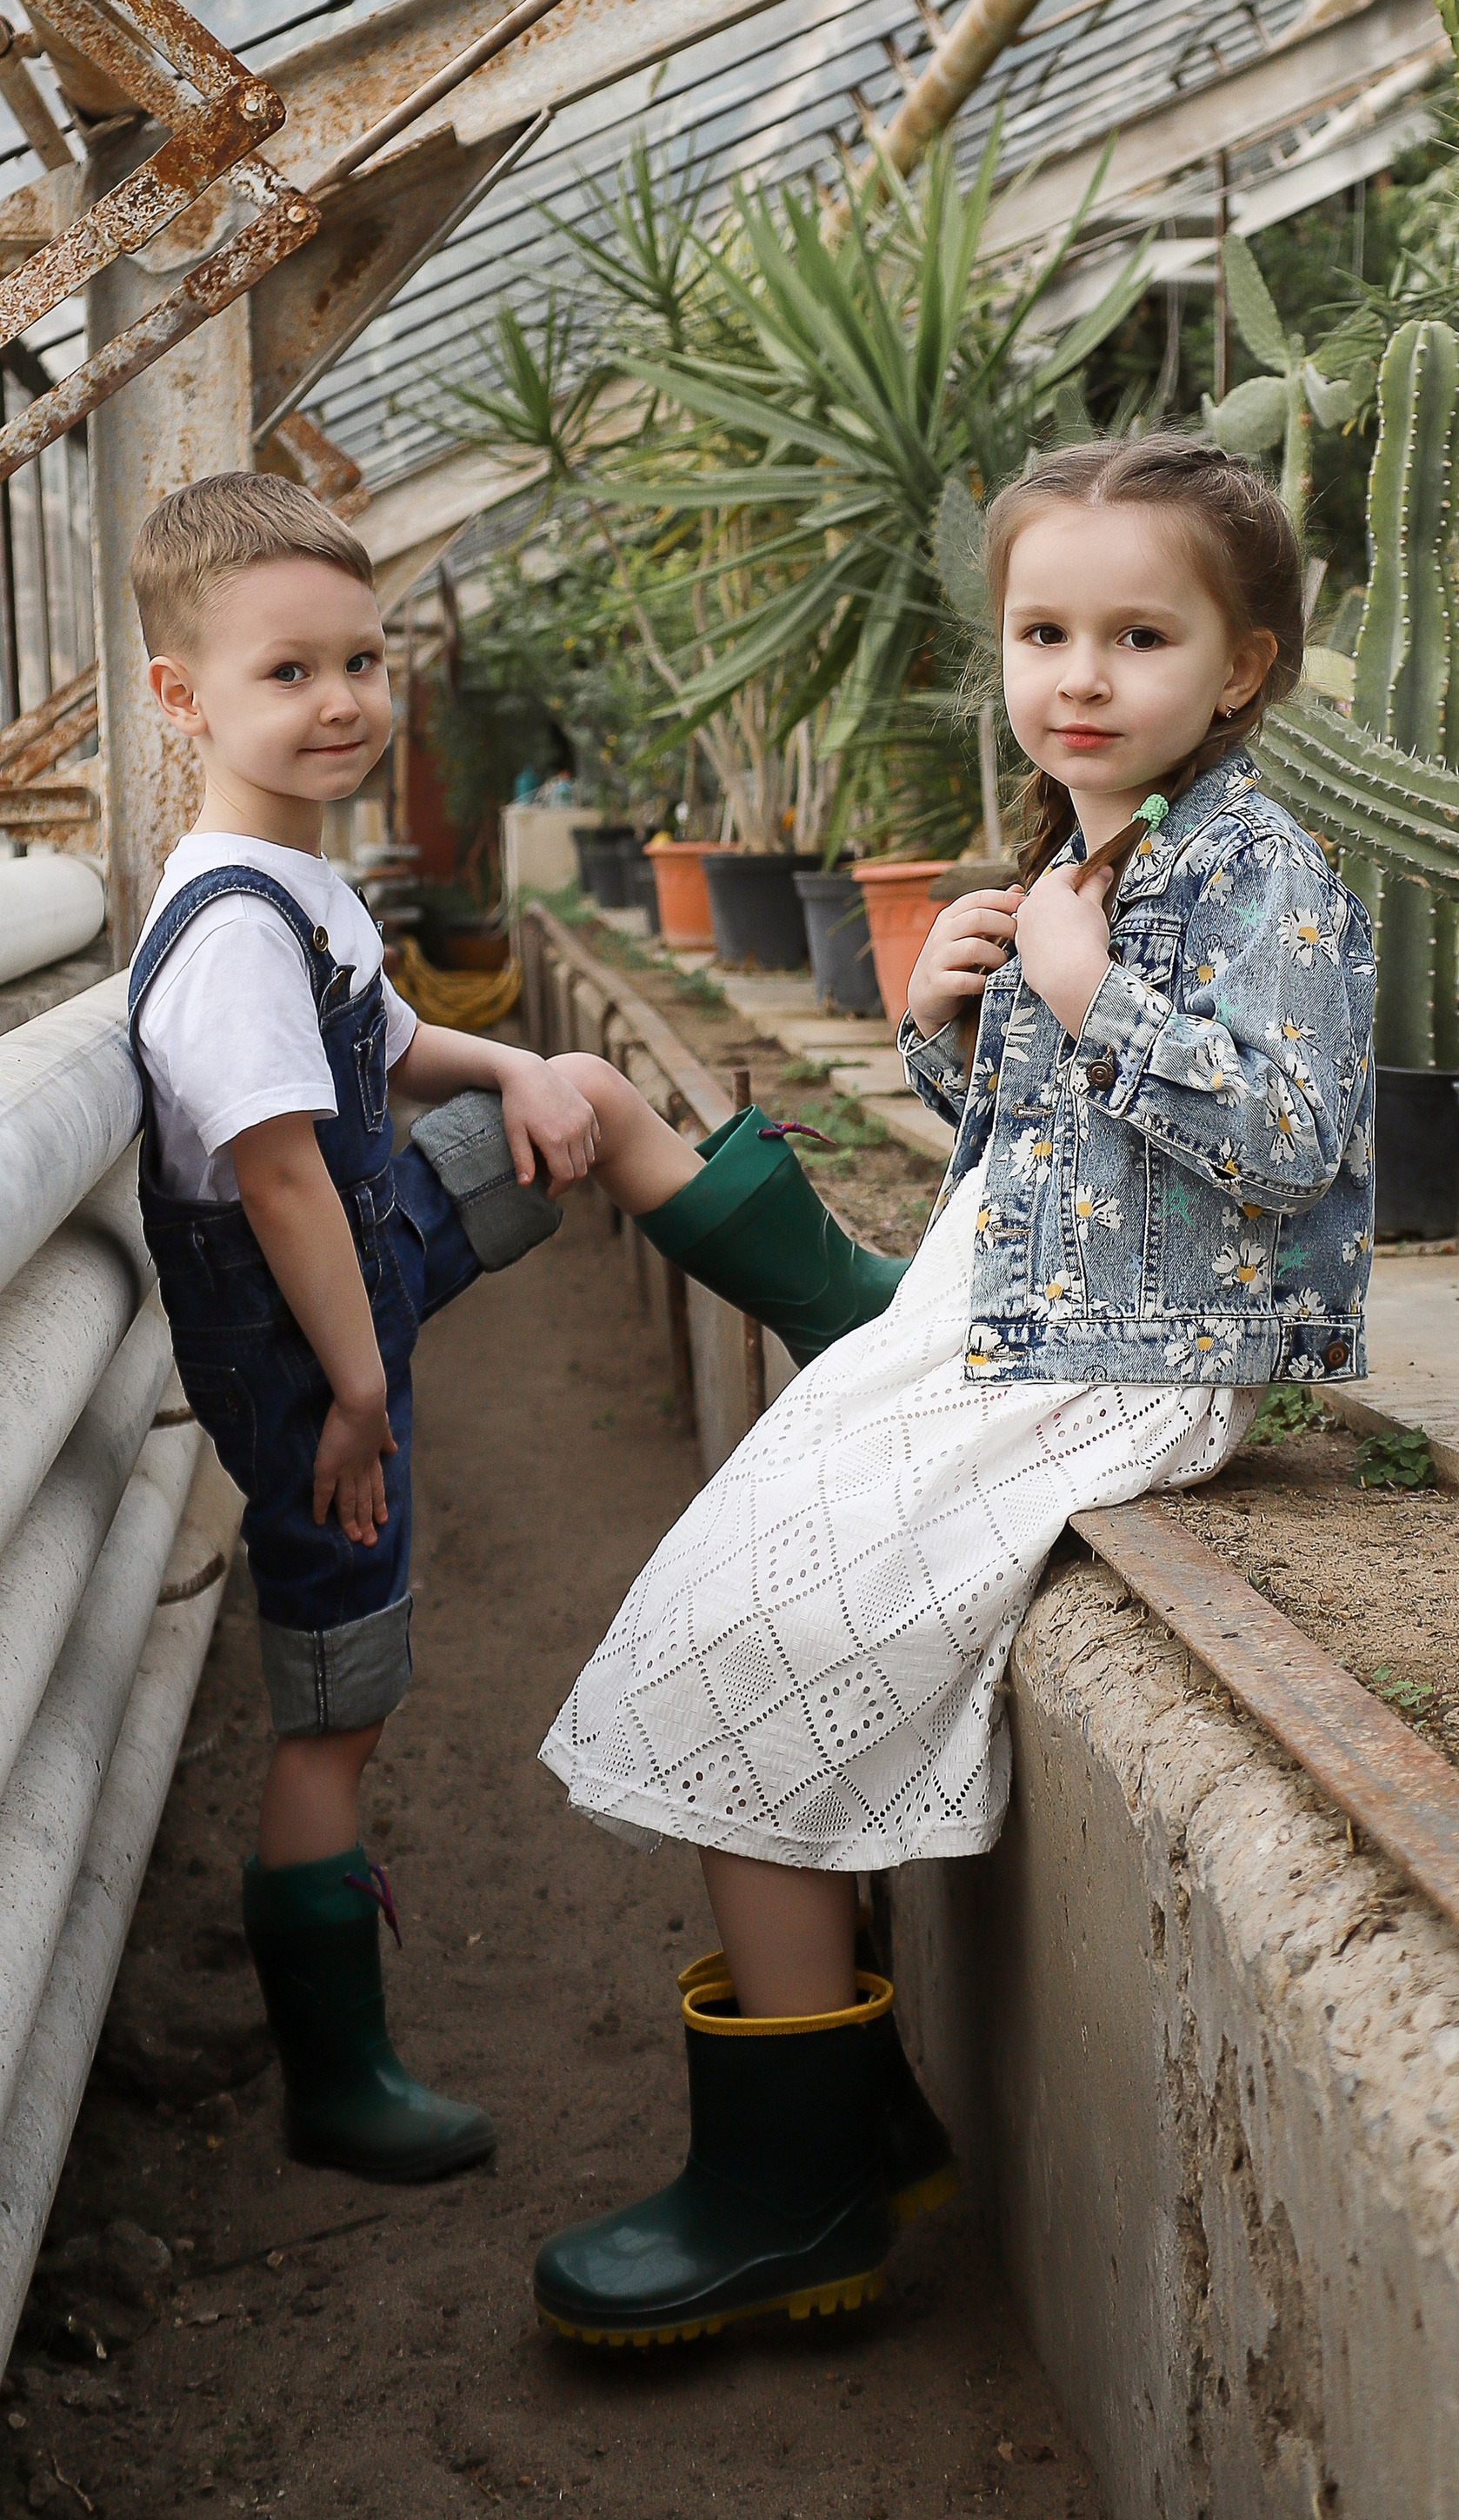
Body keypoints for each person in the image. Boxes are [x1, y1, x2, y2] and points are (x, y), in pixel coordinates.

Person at [533, 433, 1376, 2348]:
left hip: (1113, 1363)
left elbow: (1292, 1142)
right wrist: (947, 1024)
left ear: (1239, 668)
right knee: (734, 1604)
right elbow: (1048, 1144)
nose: (1077, 677)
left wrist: (1092, 994)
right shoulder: (1089, 852)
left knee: (768, 1627)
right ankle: (832, 2117)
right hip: (995, 1314)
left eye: (1137, 635)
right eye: (1041, 631)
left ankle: (800, 2182)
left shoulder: (1263, 873)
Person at [126, 474, 906, 2184]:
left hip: (364, 1280)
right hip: (305, 1349)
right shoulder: (227, 934)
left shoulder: (301, 885)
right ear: (183, 699)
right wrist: (352, 1400)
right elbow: (279, 1189)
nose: (340, 703)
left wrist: (522, 1068)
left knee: (593, 1097)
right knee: (338, 1704)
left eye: (361, 660)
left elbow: (401, 1051)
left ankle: (843, 1314)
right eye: (287, 674)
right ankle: (337, 2081)